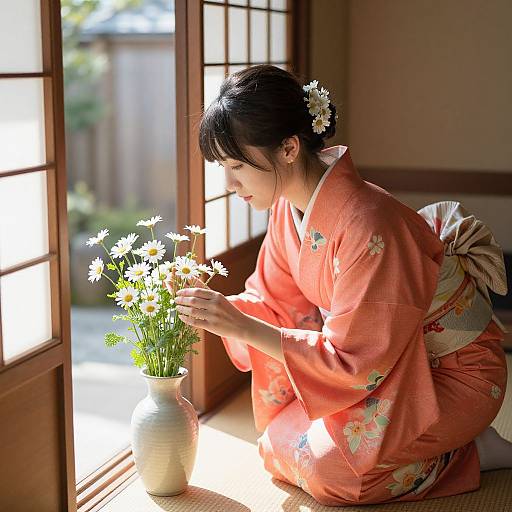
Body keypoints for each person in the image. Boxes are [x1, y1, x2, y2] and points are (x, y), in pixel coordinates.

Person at [173, 64, 512, 506]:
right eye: (223, 167)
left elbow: (357, 362)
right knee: (275, 443)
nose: (231, 184)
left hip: (450, 374)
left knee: (335, 475)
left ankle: (469, 450)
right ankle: (423, 450)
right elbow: (275, 303)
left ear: (290, 148)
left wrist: (240, 326)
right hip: (390, 364)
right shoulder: (285, 210)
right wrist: (216, 312)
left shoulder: (369, 223)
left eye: (237, 165)